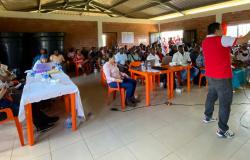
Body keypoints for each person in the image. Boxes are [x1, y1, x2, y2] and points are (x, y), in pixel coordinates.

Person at [202, 22, 250, 138]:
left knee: (211, 96)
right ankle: (222, 130)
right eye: (221, 29)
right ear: (216, 30)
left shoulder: (204, 42)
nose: (223, 31)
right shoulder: (221, 39)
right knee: (225, 103)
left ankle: (207, 117)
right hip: (222, 77)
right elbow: (243, 39)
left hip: (210, 75)